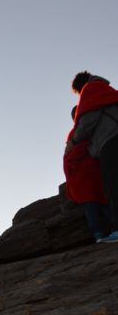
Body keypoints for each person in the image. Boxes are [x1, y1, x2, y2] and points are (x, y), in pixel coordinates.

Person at [67, 71, 118, 242]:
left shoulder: (90, 90)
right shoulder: (106, 89)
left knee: (113, 186)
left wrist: (74, 140)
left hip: (110, 140)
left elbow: (88, 121)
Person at [63, 106, 111, 241]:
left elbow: (68, 158)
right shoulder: (87, 129)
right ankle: (109, 230)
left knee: (91, 206)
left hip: (84, 178)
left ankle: (99, 235)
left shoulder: (75, 134)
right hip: (93, 174)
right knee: (104, 203)